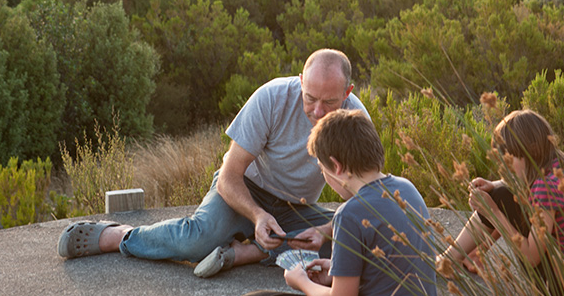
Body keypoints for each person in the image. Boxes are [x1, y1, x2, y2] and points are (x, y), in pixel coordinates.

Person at [56, 49, 368, 275]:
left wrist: (327, 230)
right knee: (196, 240)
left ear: (348, 92)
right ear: (300, 81)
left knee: (351, 249)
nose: (317, 112)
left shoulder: (356, 120)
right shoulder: (272, 98)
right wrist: (258, 216)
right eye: (310, 98)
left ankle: (248, 252)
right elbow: (228, 177)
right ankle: (119, 236)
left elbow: (365, 198)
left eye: (329, 102)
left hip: (295, 208)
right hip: (246, 191)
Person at [230, 109, 437, 296]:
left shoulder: (350, 213)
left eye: (322, 169)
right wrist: (335, 270)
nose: (324, 177)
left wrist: (301, 282)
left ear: (336, 166)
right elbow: (389, 262)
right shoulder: (407, 188)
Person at [434, 109, 564, 296]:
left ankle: (450, 260)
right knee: (502, 192)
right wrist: (494, 185)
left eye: (508, 159)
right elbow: (523, 183)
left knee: (501, 197)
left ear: (532, 151)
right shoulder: (558, 167)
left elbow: (530, 258)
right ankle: (475, 256)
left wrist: (492, 211)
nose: (503, 166)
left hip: (562, 291)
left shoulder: (545, 187)